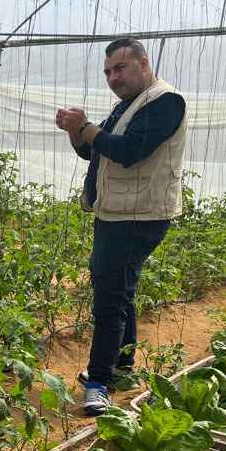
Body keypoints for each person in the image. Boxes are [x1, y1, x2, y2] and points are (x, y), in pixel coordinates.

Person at [55, 38, 188, 416]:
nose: (113, 78)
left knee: (110, 299)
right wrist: (75, 130)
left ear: (143, 64)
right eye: (108, 72)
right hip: (116, 213)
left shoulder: (165, 101)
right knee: (117, 288)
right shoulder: (128, 105)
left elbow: (130, 151)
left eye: (120, 69)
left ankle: (100, 383)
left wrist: (87, 125)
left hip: (137, 217)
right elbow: (96, 149)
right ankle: (122, 366)